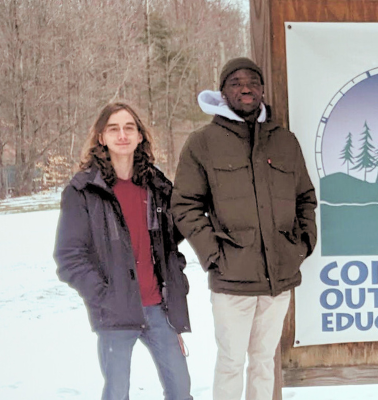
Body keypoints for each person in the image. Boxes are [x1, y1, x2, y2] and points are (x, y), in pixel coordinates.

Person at [171, 57, 317, 400]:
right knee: (232, 361)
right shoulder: (202, 143)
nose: (245, 88)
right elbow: (185, 205)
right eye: (235, 82)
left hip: (278, 278)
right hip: (231, 280)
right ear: (223, 93)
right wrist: (214, 254)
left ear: (262, 90)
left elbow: (305, 198)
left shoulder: (284, 141)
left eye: (252, 81)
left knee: (265, 360)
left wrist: (301, 246)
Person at [54, 102, 192, 400]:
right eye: (113, 128)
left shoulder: (157, 186)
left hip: (159, 309)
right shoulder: (83, 191)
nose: (122, 135)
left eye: (129, 127)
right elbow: (69, 257)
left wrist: (176, 289)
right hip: (115, 313)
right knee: (117, 394)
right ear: (101, 137)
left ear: (140, 136)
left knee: (181, 391)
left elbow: (170, 244)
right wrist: (105, 296)